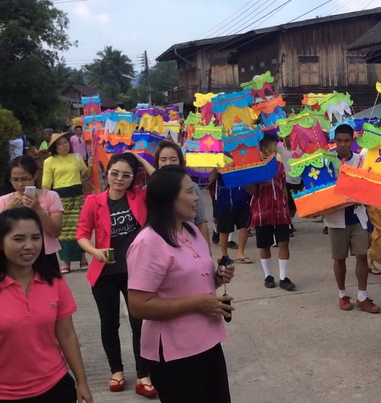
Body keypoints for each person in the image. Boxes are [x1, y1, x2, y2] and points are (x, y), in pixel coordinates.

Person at [127, 165, 236, 403]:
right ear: (168, 198)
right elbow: (138, 305)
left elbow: (192, 282)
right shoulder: (148, 243)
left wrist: (218, 276)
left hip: (208, 341)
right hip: (175, 353)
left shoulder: (191, 231)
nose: (197, 197)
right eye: (189, 192)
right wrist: (197, 303)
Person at [76, 152, 156, 397]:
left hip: (136, 271)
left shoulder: (139, 196)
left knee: (139, 324)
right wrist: (95, 251)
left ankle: (144, 374)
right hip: (105, 272)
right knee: (109, 323)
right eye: (115, 173)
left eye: (126, 175)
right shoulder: (94, 201)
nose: (119, 179)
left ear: (133, 178)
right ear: (107, 173)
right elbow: (81, 234)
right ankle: (116, 371)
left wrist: (140, 160)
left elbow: (162, 181)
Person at [0, 207, 93, 402]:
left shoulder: (54, 282)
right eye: (18, 239)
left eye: (35, 238)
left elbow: (67, 335)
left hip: (56, 387)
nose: (29, 246)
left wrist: (82, 381)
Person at [325, 124, 380, 313]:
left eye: (346, 140)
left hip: (358, 216)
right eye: (338, 140)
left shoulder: (361, 160)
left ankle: (362, 297)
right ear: (334, 141)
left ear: (352, 140)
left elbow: (368, 186)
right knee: (339, 258)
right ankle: (342, 295)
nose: (342, 144)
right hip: (336, 217)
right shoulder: (327, 161)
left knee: (362, 256)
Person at [248, 134, 295, 291]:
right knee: (265, 245)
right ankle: (268, 276)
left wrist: (287, 206)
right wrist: (245, 181)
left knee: (284, 243)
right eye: (274, 146)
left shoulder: (280, 167)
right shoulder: (256, 167)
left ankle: (283, 277)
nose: (276, 149)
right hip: (262, 211)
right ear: (264, 149)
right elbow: (253, 191)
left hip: (280, 210)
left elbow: (282, 187)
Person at [0, 156, 64, 271]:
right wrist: (7, 211)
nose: (20, 184)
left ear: (34, 176)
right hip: (13, 258)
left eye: (24, 179)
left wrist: (38, 209)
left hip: (45, 255)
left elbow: (56, 232)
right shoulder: (4, 201)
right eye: (15, 179)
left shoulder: (51, 197)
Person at [42, 132, 89, 273]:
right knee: (63, 231)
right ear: (54, 147)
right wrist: (45, 201)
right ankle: (65, 262)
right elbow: (46, 184)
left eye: (65, 142)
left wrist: (91, 165)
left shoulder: (77, 158)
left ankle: (83, 258)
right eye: (60, 143)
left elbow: (86, 176)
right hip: (60, 198)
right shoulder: (49, 161)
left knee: (79, 227)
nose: (64, 145)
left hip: (77, 196)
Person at [154, 141, 211, 247]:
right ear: (157, 163)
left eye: (173, 159)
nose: (168, 163)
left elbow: (201, 221)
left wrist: (207, 254)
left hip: (190, 246)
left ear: (180, 162)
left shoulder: (193, 187)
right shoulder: (149, 190)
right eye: (163, 159)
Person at [210, 170, 251, 263]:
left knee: (245, 226)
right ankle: (225, 255)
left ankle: (240, 253)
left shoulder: (242, 160)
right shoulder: (220, 161)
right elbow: (211, 179)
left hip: (242, 199)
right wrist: (216, 169)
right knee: (225, 230)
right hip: (225, 200)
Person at [276, 138, 301, 236]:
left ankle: (289, 222)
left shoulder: (299, 148)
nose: (288, 138)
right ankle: (287, 226)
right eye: (286, 136)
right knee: (285, 204)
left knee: (294, 206)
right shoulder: (280, 147)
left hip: (298, 180)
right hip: (286, 180)